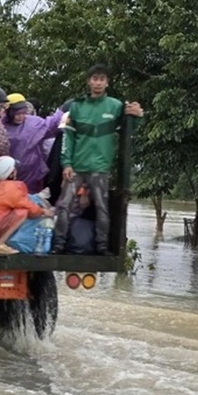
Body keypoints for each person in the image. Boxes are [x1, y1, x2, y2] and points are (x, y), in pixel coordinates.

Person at [50, 64, 144, 255]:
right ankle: (58, 244)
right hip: (76, 167)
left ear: (107, 83)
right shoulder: (76, 107)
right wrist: (66, 164)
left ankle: (102, 246)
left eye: (102, 79)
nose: (98, 83)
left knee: (102, 207)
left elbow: (130, 129)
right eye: (95, 79)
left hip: (100, 167)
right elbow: (67, 138)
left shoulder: (116, 106)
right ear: (89, 81)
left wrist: (138, 115)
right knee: (64, 205)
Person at [0, 156, 54, 255]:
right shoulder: (13, 187)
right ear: (12, 172)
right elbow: (31, 209)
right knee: (23, 212)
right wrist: (44, 212)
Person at [3, 92, 66, 194]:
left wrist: (62, 111)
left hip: (33, 175)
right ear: (9, 112)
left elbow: (51, 125)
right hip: (9, 174)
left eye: (23, 113)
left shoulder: (33, 124)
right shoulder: (0, 127)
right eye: (17, 114)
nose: (21, 117)